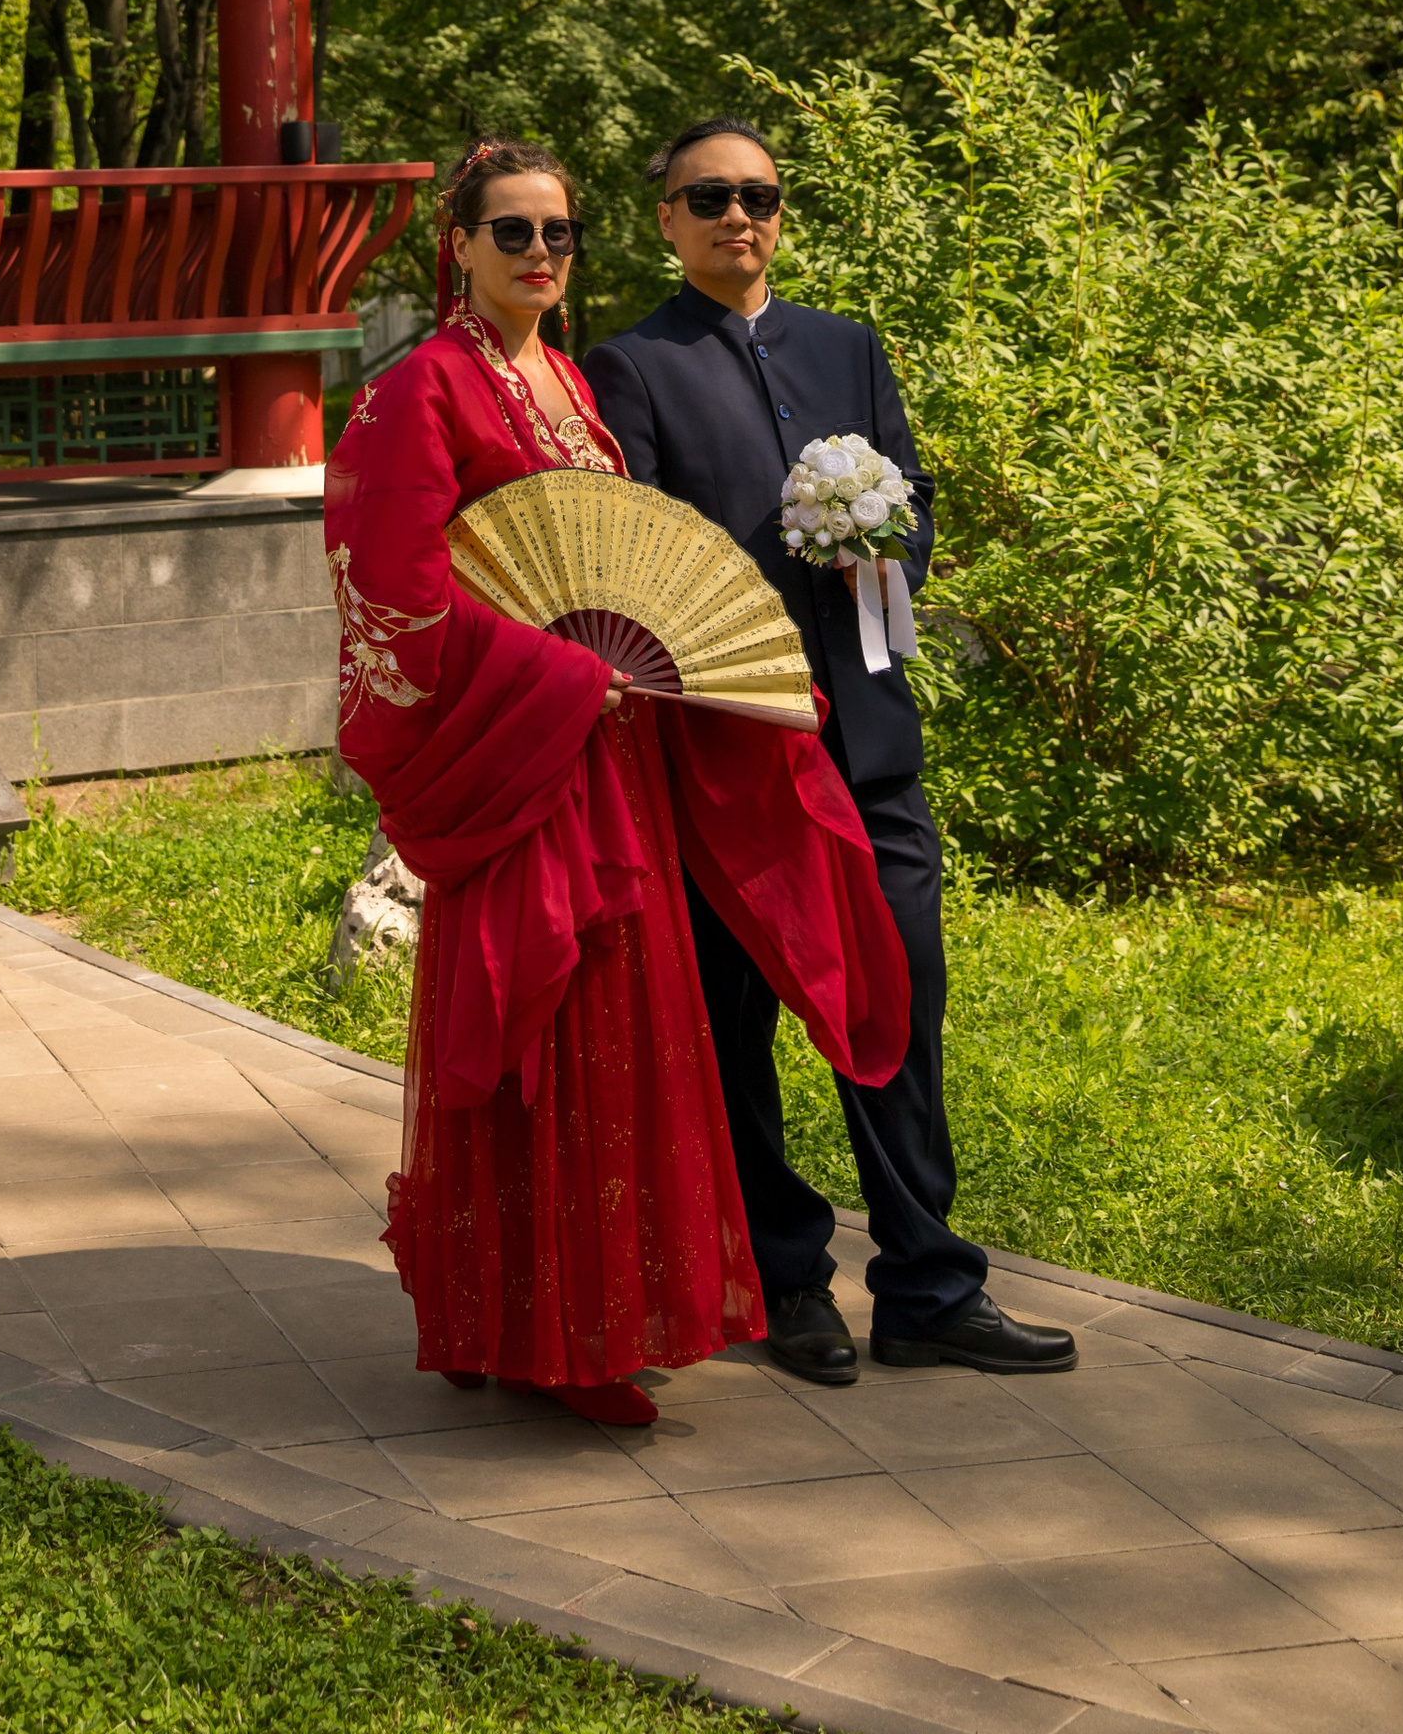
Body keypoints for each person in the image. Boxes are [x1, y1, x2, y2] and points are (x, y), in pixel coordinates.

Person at [325, 133, 913, 1431]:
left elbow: (627, 566)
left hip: (616, 763)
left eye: (558, 234)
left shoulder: (569, 392)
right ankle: (539, 1338)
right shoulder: (418, 391)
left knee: (616, 1035)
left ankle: (557, 1318)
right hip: (524, 756)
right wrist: (551, 678)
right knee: (536, 1037)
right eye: (513, 232)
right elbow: (397, 594)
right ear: (460, 246)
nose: (540, 254)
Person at [584, 118, 1077, 1387]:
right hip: (732, 752)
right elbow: (638, 551)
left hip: (866, 733)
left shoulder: (846, 346)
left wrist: (875, 537)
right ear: (668, 222)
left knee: (898, 1000)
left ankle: (927, 1286)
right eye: (709, 198)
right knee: (737, 1025)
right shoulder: (631, 366)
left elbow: (908, 492)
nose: (736, 216)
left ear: (779, 214)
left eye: (757, 196)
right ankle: (786, 1280)